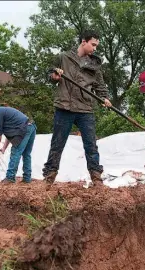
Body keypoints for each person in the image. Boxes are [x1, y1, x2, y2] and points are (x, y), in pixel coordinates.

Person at [42, 29, 112, 187]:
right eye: (93, 44)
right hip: (64, 107)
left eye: (96, 46)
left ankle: (96, 177)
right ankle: (49, 177)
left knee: (91, 145)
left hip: (85, 109)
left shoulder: (94, 66)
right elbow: (50, 76)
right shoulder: (63, 57)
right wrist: (55, 76)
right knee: (57, 144)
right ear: (83, 42)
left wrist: (105, 98)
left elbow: (100, 87)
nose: (95, 48)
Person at [0, 103, 37, 184]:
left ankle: (10, 177)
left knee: (15, 151)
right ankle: (27, 178)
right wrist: (4, 148)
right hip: (31, 127)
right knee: (26, 154)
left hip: (24, 129)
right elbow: (10, 135)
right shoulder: (4, 112)